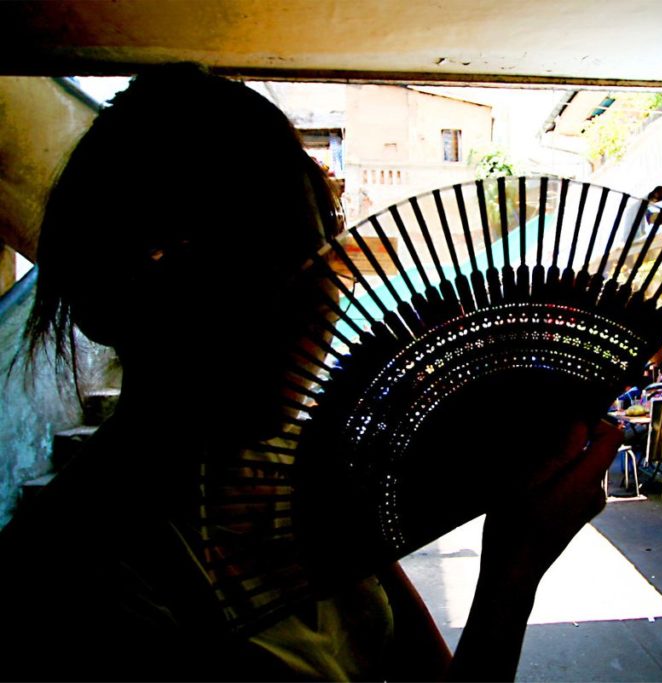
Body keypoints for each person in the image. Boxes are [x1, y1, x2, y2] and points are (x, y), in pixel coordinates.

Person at [0, 64, 620, 681]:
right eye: (247, 264)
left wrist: (517, 553)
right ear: (123, 297)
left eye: (317, 253)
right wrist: (511, 577)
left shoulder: (308, 489)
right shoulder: (71, 576)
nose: (311, 303)